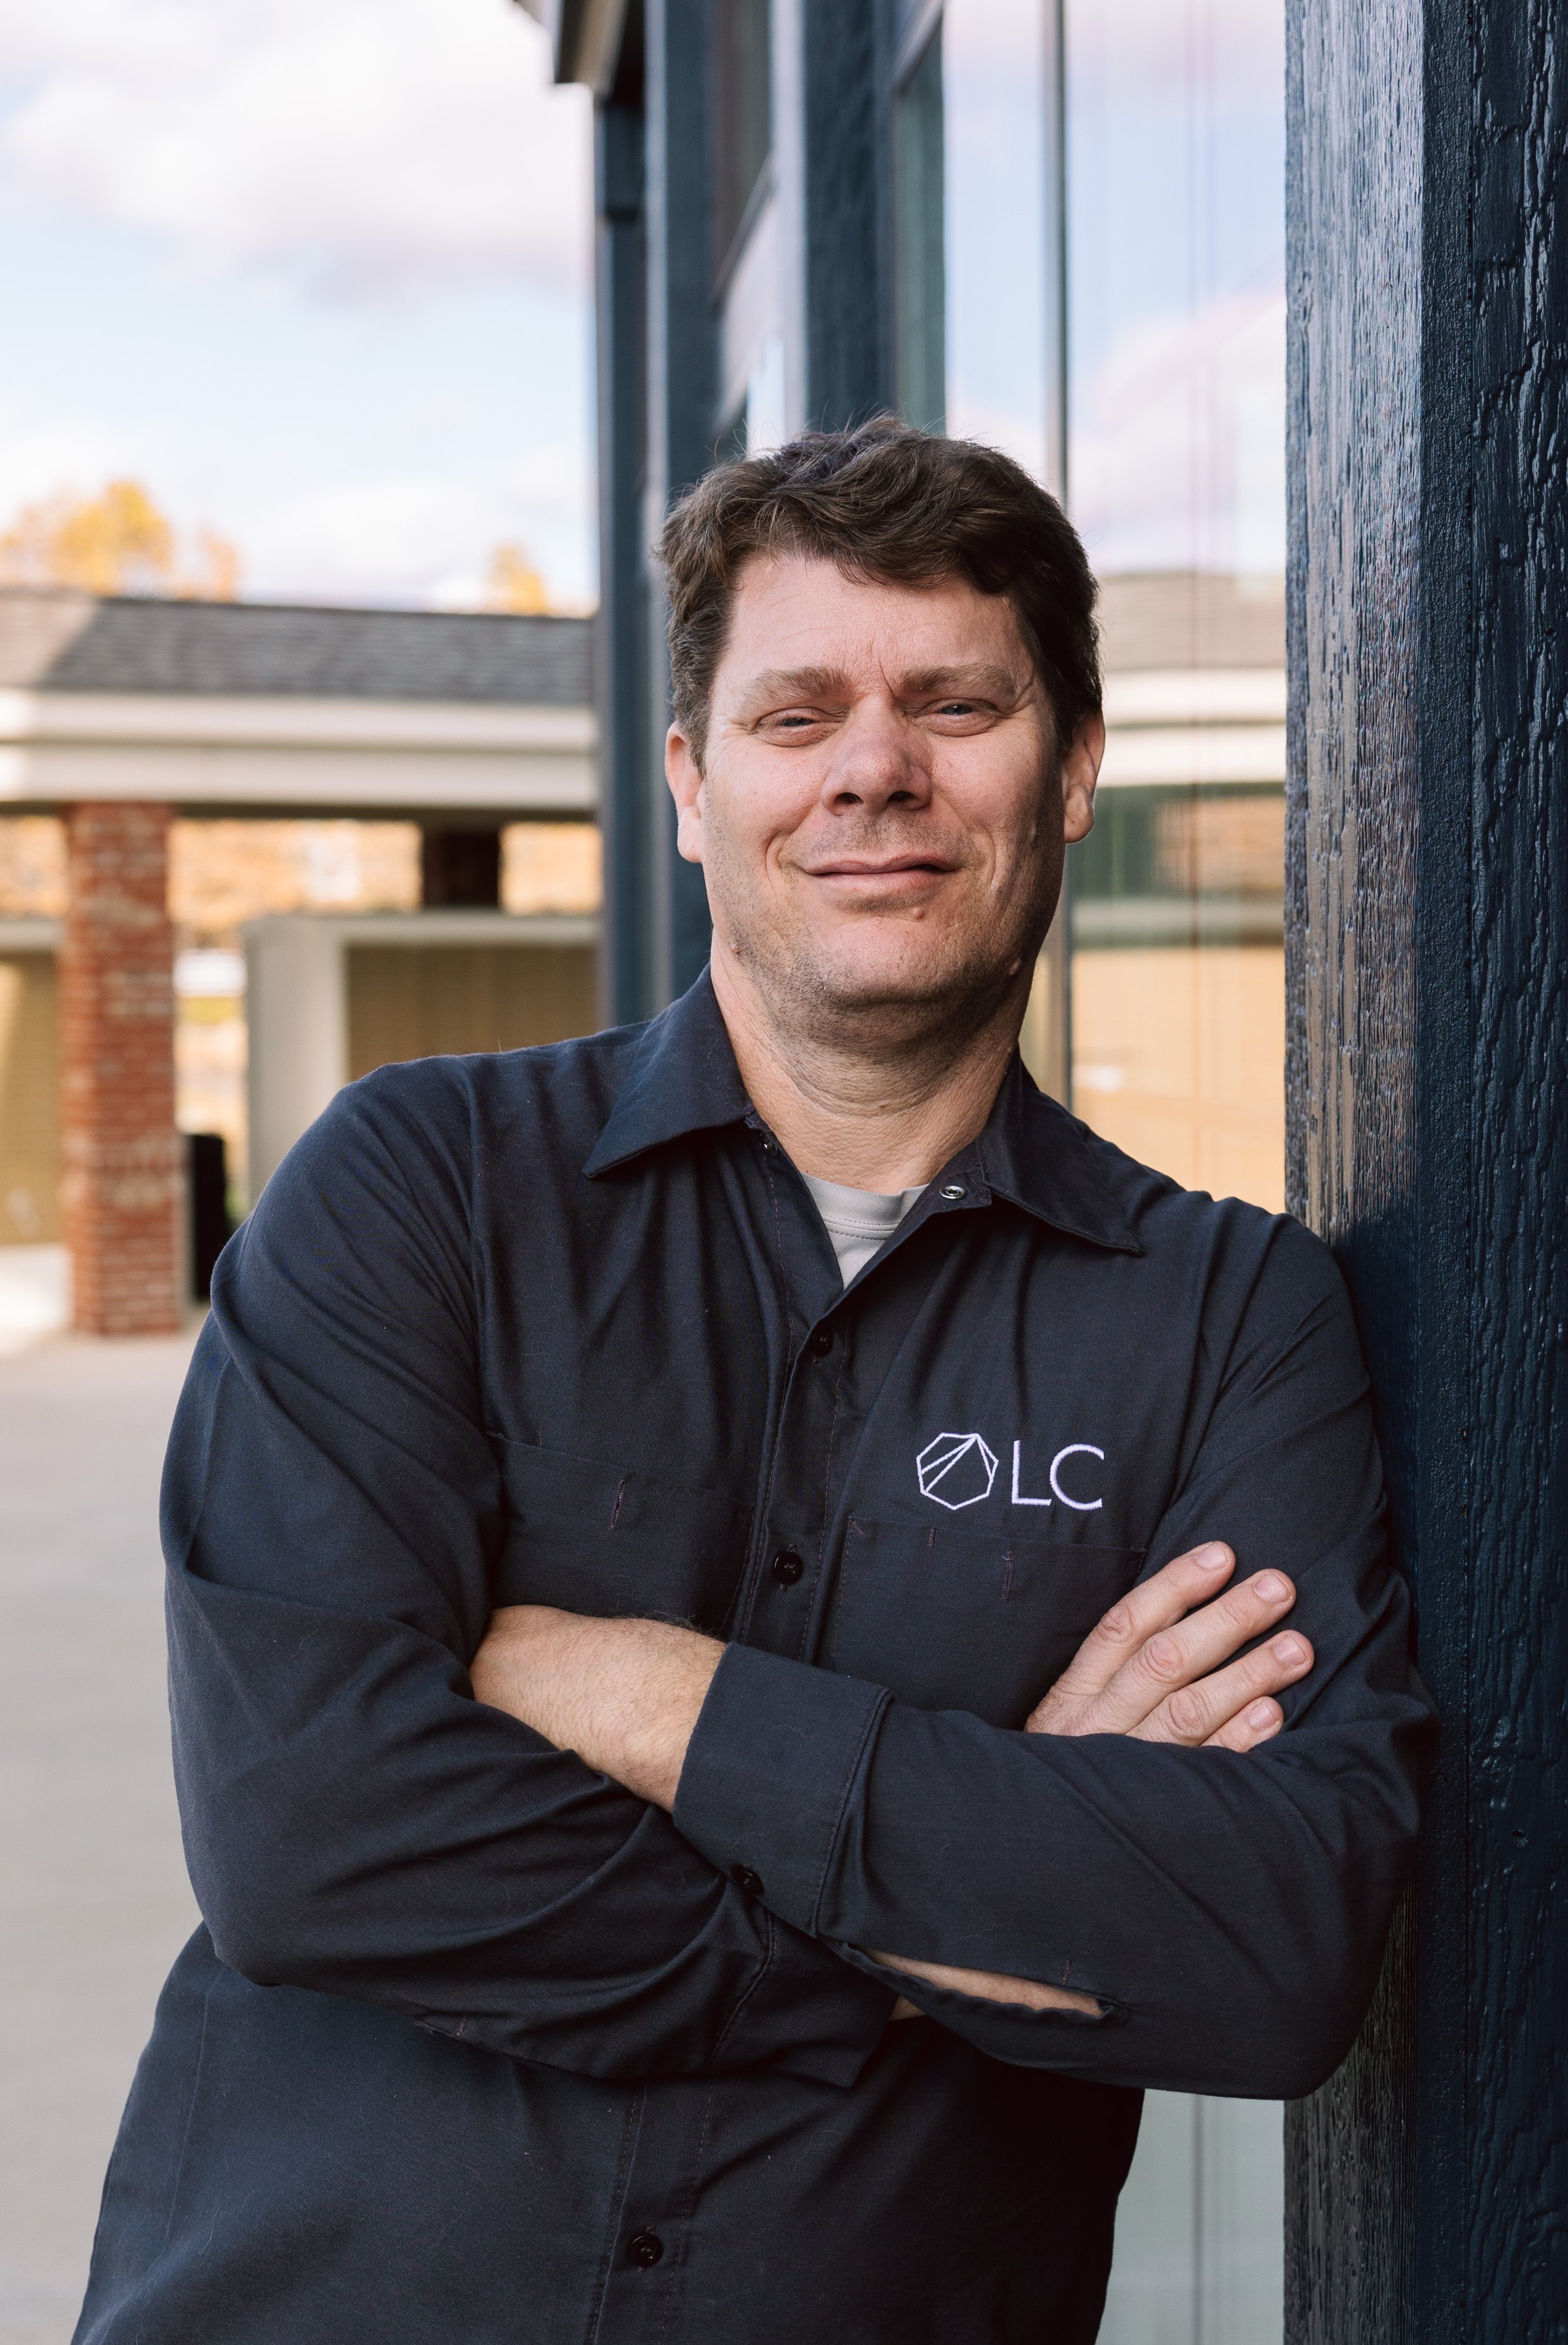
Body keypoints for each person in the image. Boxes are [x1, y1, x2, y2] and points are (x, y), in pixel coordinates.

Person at [75, 421, 1433, 2345]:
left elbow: (1272, 1945)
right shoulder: (420, 1188)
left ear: (1071, 773)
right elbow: (313, 1835)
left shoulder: (1226, 1312)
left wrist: (651, 1694)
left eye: (955, 704)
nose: (874, 767)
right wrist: (977, 1893)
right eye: (798, 715)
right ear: (692, 787)